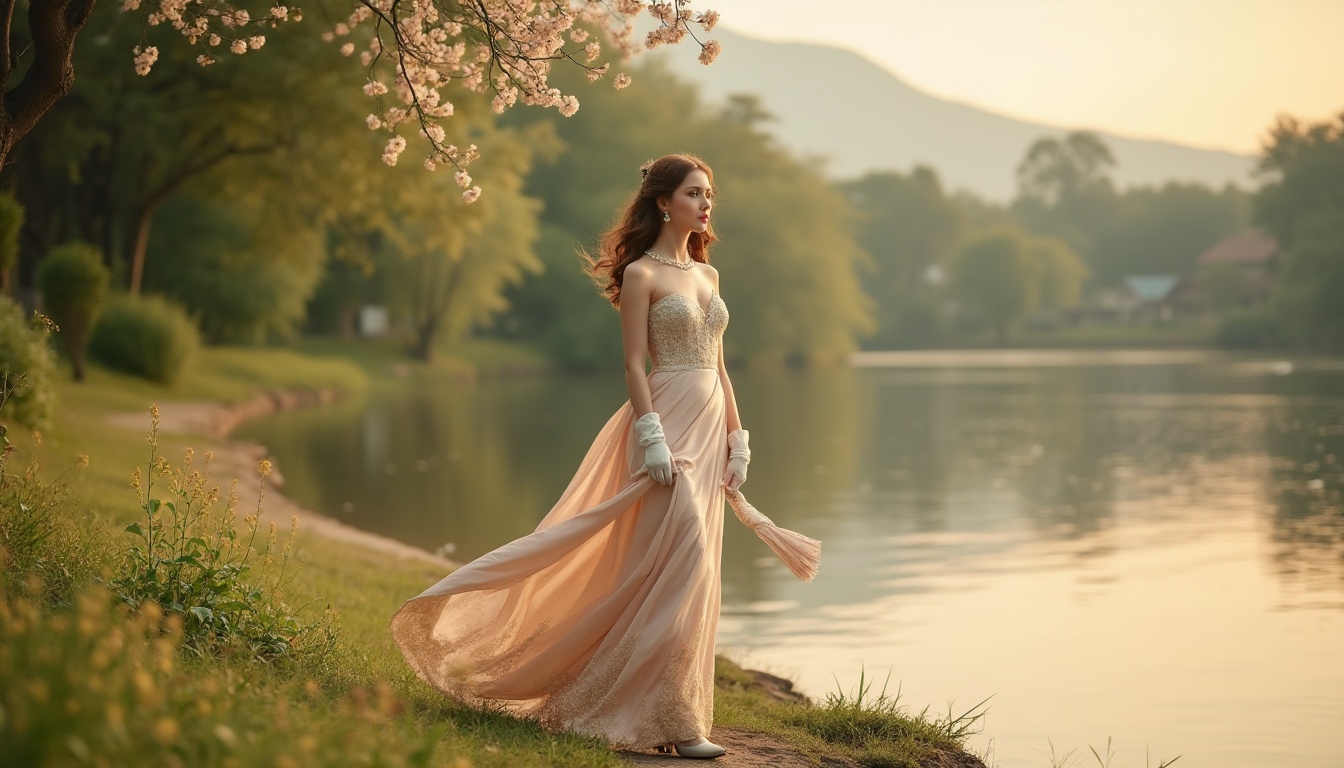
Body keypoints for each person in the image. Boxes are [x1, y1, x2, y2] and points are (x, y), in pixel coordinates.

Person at [389, 153, 817, 759]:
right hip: (664, 423)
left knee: (691, 574)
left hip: (710, 423)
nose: (706, 204)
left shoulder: (709, 276)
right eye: (695, 193)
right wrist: (652, 439)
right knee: (683, 558)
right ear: (664, 202)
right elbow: (634, 365)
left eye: (710, 194)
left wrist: (738, 441)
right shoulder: (643, 275)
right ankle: (670, 723)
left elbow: (720, 367)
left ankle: (671, 717)